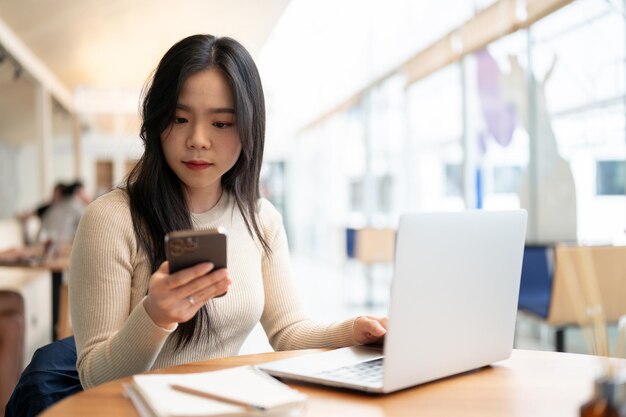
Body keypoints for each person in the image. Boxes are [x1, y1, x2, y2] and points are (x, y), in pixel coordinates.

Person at [69, 34, 387, 389]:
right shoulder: (110, 219)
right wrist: (155, 315)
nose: (198, 139)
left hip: (227, 404)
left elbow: (289, 332)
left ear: (249, 129)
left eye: (221, 123)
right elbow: (93, 377)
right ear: (156, 122)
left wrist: (355, 331)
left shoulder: (260, 218)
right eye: (179, 118)